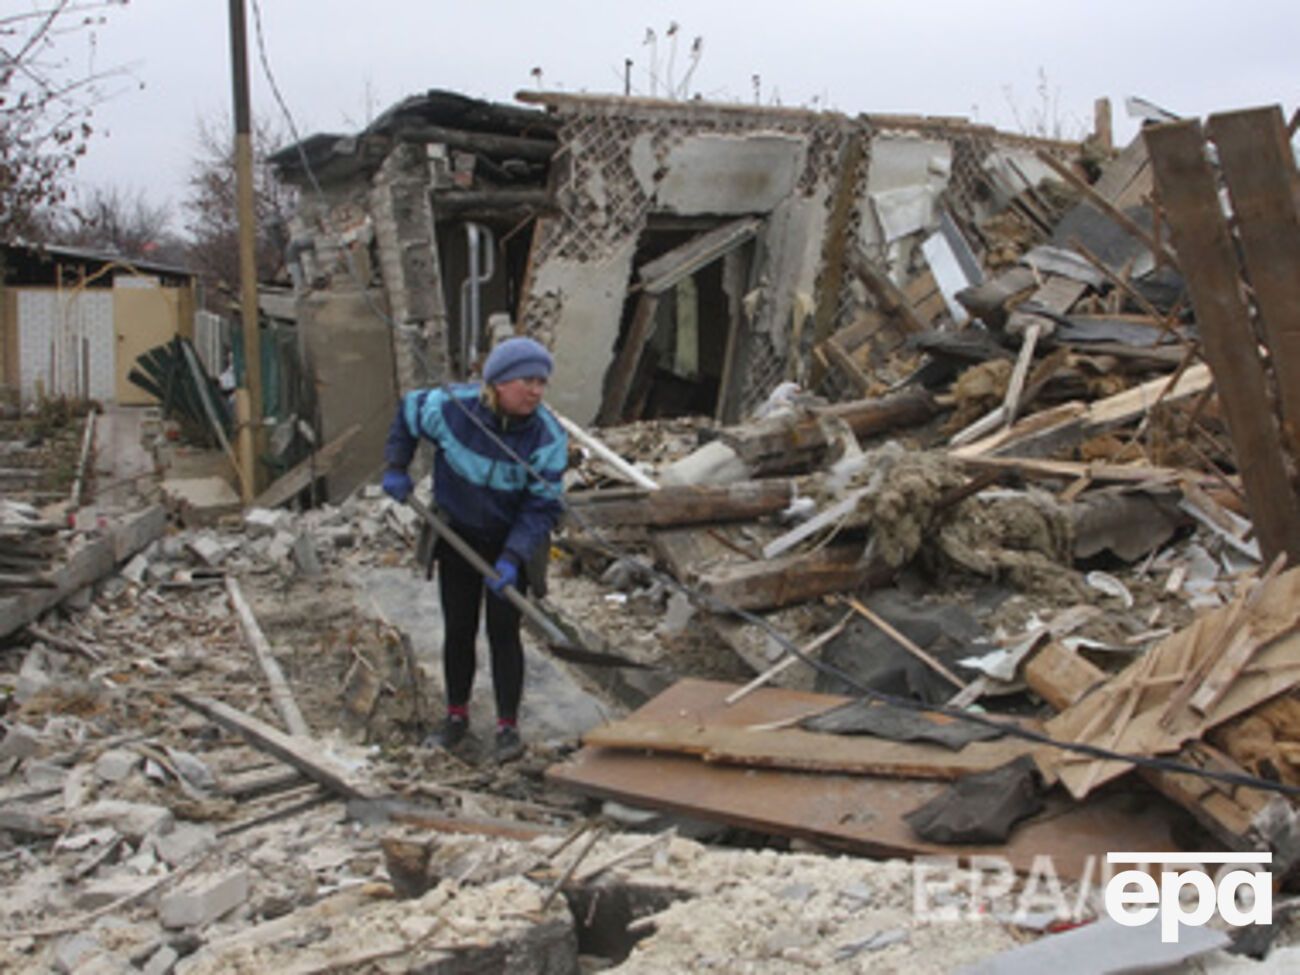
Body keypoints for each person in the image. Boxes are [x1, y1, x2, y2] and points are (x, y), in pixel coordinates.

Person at [382, 336, 567, 762]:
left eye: (542, 382)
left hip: (509, 542)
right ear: (499, 382)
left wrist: (513, 557)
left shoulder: (545, 437)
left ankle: (507, 728)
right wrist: (396, 465)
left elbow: (542, 507)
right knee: (459, 627)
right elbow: (409, 411)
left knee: (504, 632)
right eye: (527, 381)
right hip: (458, 534)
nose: (537, 391)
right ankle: (456, 718)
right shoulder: (452, 408)